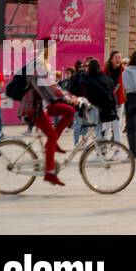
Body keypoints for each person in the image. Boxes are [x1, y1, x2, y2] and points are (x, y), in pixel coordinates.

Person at [19, 49, 84, 186]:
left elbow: (54, 86)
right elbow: (50, 88)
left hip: (43, 106)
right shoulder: (36, 68)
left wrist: (70, 97)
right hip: (35, 109)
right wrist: (67, 98)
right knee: (53, 136)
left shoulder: (42, 67)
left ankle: (52, 143)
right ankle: (49, 173)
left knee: (69, 111)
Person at [82, 58, 119, 142]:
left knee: (96, 129)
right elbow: (112, 90)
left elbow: (86, 94)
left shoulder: (87, 79)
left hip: (94, 107)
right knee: (101, 128)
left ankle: (100, 149)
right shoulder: (105, 78)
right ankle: (102, 146)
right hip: (106, 107)